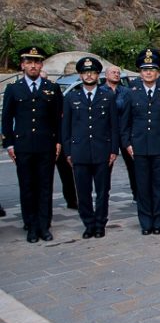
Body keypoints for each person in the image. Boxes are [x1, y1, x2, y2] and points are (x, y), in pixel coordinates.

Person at [2, 47, 62, 243]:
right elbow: (6, 118)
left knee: (45, 187)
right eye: (29, 62)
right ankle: (30, 225)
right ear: (22, 65)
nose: (33, 65)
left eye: (36, 62)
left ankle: (44, 226)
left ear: (41, 65)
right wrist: (9, 144)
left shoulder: (51, 88)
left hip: (46, 145)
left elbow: (57, 119)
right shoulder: (14, 89)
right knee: (27, 186)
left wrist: (58, 141)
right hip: (24, 146)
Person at [121, 48, 160, 235]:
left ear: (158, 72)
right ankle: (146, 222)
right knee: (143, 187)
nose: (148, 72)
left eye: (152, 69)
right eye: (145, 69)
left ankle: (159, 221)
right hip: (139, 147)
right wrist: (128, 144)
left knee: (159, 186)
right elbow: (126, 122)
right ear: (140, 72)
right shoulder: (131, 92)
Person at [62, 57, 119, 238]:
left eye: (92, 72)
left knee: (103, 191)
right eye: (85, 72)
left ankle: (100, 223)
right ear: (80, 75)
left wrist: (113, 150)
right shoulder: (72, 97)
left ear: (98, 75)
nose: (89, 75)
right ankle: (88, 223)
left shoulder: (107, 96)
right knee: (83, 191)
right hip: (80, 152)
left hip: (102, 151)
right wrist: (68, 151)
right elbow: (66, 127)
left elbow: (113, 126)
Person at [42, 69, 79, 211]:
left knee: (67, 173)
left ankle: (71, 200)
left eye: (45, 79)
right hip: (43, 139)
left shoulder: (54, 91)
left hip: (59, 138)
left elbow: (63, 114)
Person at [104, 65, 137, 203]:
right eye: (113, 72)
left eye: (118, 73)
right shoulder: (101, 92)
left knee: (132, 165)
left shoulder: (127, 92)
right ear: (106, 75)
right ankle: (104, 194)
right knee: (106, 166)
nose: (116, 75)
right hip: (108, 134)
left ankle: (137, 193)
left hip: (125, 132)